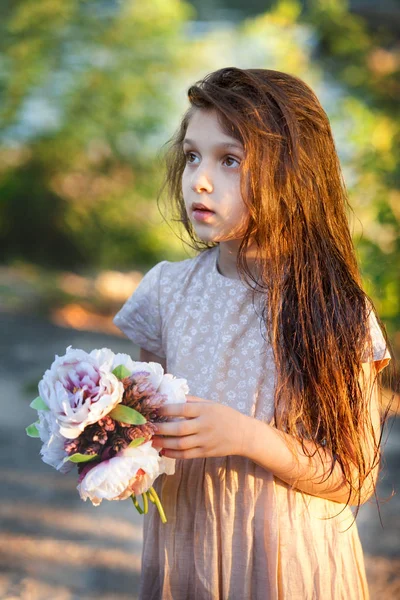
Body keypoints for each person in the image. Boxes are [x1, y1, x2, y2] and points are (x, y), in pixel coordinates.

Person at [113, 67, 392, 600]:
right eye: (193, 155)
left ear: (293, 175)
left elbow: (356, 475)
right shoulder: (165, 292)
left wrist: (246, 437)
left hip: (288, 565)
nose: (199, 178)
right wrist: (109, 442)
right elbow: (145, 441)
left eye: (230, 161)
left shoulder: (333, 309)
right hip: (188, 558)